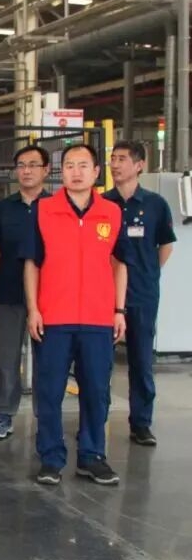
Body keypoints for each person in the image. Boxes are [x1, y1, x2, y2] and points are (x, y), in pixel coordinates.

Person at [23, 142, 128, 486]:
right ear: (61, 172)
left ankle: (92, 456)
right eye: (69, 165)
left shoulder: (112, 212)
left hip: (98, 318)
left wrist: (118, 310)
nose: (76, 172)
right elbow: (32, 263)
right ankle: (51, 458)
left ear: (97, 172)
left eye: (83, 165)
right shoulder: (43, 210)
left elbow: (120, 264)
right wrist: (34, 309)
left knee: (96, 390)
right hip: (54, 317)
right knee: (50, 391)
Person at [103, 140, 176, 447]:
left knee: (141, 360)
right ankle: (97, 420)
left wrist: (147, 274)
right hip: (104, 295)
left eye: (122, 159)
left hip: (143, 295)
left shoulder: (155, 204)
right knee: (100, 362)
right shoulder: (101, 204)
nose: (115, 164)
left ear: (139, 165)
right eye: (112, 158)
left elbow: (166, 245)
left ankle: (141, 423)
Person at [0, 145, 51, 440]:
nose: (27, 170)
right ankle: (3, 415)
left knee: (48, 361)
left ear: (46, 170)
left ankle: (46, 417)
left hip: (48, 297)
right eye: (21, 165)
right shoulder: (3, 208)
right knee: (7, 358)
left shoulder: (55, 207)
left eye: (33, 165)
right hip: (10, 293)